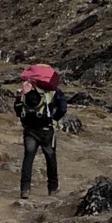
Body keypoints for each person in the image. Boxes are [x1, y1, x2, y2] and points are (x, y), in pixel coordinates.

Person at [13, 62, 67, 199]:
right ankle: (52, 189)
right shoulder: (54, 92)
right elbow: (63, 109)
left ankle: (25, 190)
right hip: (47, 130)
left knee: (28, 158)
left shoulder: (24, 90)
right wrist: (53, 119)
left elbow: (18, 110)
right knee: (50, 158)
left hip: (29, 130)